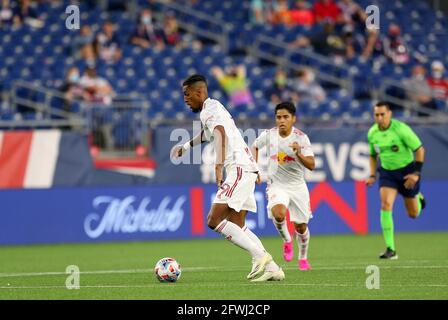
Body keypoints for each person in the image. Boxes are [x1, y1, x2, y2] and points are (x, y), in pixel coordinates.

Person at [171, 74, 284, 282]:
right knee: (237, 224)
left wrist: (218, 165)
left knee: (214, 220)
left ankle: (260, 256)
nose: (185, 99)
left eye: (187, 95)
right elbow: (208, 134)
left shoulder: (210, 111)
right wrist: (186, 147)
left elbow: (220, 133)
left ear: (199, 92)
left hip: (238, 168)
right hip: (245, 167)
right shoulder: (213, 108)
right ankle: (272, 268)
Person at [252, 102, 315, 270]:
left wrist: (298, 153)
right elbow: (255, 147)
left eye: (286, 117)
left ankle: (303, 258)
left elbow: (311, 165)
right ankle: (287, 240)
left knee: (301, 227)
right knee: (279, 214)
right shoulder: (269, 135)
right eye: (278, 117)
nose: (281, 120)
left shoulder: (301, 138)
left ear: (293, 119)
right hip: (276, 184)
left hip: (297, 186)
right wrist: (255, 169)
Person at [366, 102, 426, 259]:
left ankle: (418, 198)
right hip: (387, 173)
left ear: (389, 114)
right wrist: (372, 175)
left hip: (407, 172)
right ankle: (390, 249)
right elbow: (373, 155)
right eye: (376, 115)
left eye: (382, 114)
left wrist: (416, 173)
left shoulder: (401, 129)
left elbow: (419, 149)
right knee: (385, 204)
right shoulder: (372, 133)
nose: (379, 118)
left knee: (413, 214)